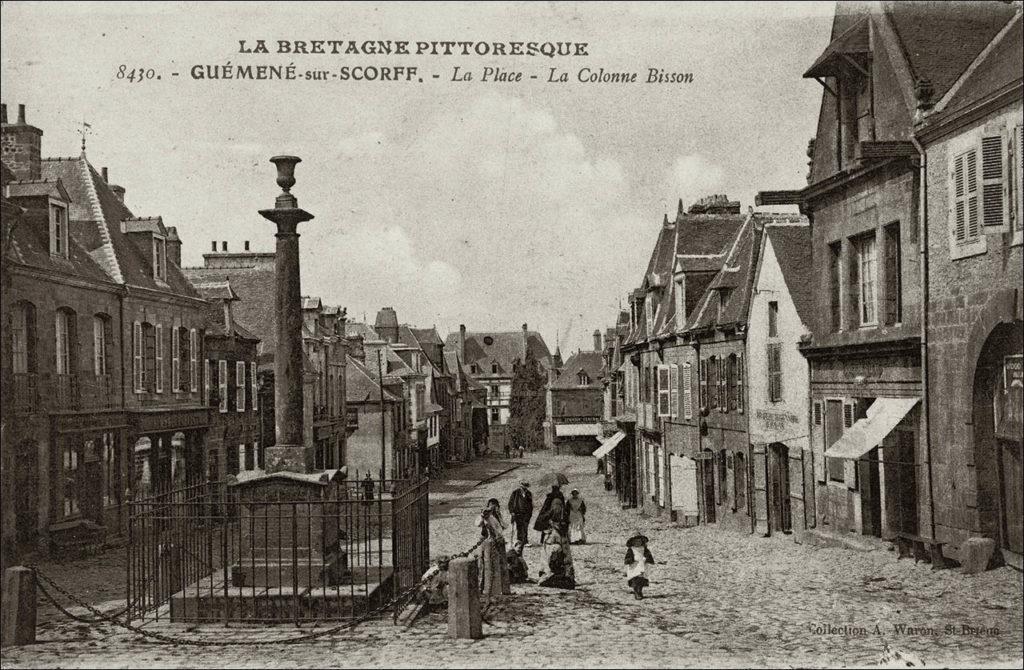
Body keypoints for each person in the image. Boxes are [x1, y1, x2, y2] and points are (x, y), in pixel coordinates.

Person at [624, 530, 655, 600]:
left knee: (641, 580)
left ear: (642, 541)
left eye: (639, 541)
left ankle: (639, 591)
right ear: (632, 542)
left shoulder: (644, 549)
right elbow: (627, 558)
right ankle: (636, 592)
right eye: (635, 541)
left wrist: (647, 559)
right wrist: (630, 560)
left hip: (642, 566)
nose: (637, 543)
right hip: (634, 566)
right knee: (635, 579)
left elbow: (649, 556)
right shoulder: (631, 549)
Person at [507, 480, 534, 547]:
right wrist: (512, 511)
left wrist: (530, 513)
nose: (524, 488)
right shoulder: (515, 493)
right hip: (517, 513)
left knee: (525, 527)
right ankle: (519, 540)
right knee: (519, 527)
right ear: (520, 486)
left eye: (525, 487)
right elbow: (510, 503)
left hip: (526, 513)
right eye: (523, 486)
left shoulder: (528, 493)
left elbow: (530, 504)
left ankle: (525, 541)